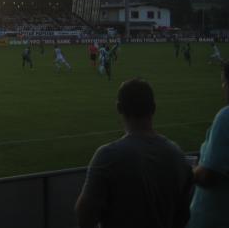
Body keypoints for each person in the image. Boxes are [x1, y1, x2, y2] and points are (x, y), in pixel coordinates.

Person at [75, 78, 193, 228]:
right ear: (154, 108)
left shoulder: (108, 156)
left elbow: (84, 214)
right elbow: (183, 215)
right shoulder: (177, 154)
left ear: (119, 108)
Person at [187, 63, 229, 228]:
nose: (223, 86)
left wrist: (190, 172)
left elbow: (208, 176)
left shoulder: (225, 117)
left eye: (224, 81)